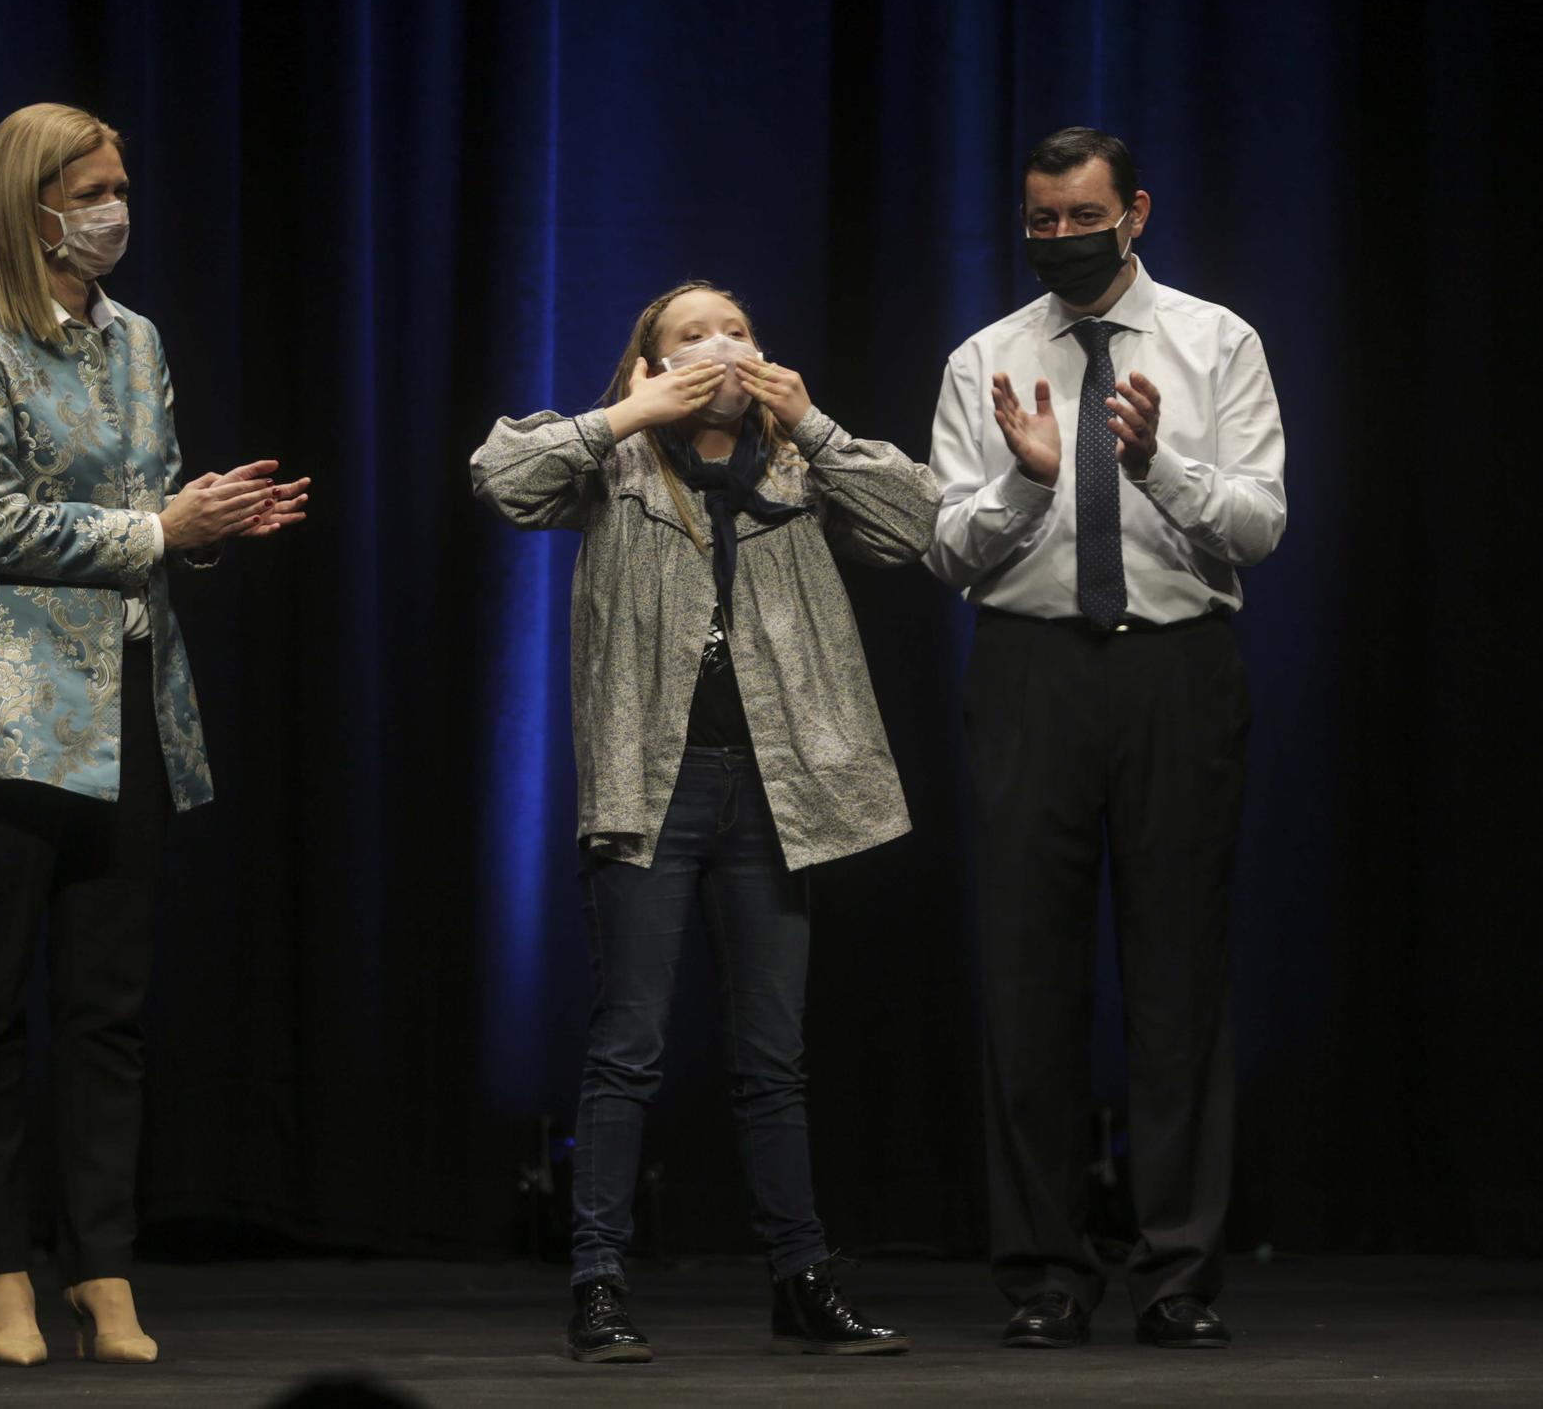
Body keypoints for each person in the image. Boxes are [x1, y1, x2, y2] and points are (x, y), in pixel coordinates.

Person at [0, 103, 309, 1366]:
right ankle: (3, 1274)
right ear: (35, 204)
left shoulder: (135, 341)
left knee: (107, 1011)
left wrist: (209, 515)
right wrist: (158, 533)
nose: (116, 208)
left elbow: (153, 496)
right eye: (95, 187)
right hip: (9, 719)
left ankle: (105, 1271)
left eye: (120, 185)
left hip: (130, 706)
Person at [471, 282, 940, 1363]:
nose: (720, 348)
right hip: (654, 786)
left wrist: (813, 421)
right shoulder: (616, 465)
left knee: (772, 1055)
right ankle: (596, 1283)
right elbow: (497, 476)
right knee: (627, 1042)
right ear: (649, 363)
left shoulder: (795, 467)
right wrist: (624, 416)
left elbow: (914, 523)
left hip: (774, 792)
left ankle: (800, 1279)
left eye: (735, 331)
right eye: (691, 336)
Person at [923, 127, 1286, 1350]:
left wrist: (1158, 463)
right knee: (1027, 981)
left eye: (1083, 217)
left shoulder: (1213, 340)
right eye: (1040, 222)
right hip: (1029, 676)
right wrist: (1029, 480)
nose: (1061, 240)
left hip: (1173, 671)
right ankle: (1042, 1275)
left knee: (1177, 981)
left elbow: (1258, 524)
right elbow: (944, 547)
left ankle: (1175, 1272)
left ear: (1134, 209)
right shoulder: (986, 356)